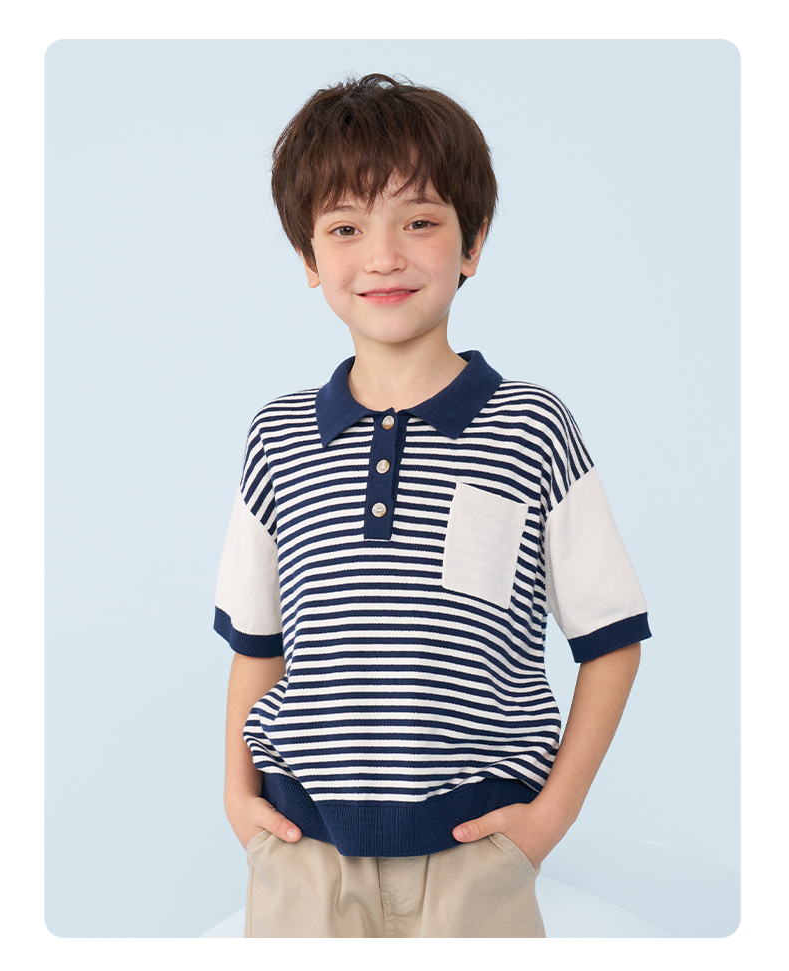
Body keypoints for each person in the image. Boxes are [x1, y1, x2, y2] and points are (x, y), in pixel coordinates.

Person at [214, 73, 651, 938]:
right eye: (345, 228)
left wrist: (547, 820)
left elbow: (612, 640)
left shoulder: (532, 427)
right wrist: (237, 797)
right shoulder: (277, 437)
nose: (383, 257)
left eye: (419, 221)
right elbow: (257, 646)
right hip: (303, 850)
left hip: (475, 853)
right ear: (309, 258)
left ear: (472, 242)